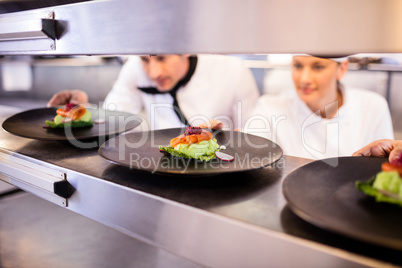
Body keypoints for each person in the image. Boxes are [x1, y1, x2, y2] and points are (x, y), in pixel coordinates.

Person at [47, 54, 260, 131]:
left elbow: (255, 133)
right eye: (144, 59)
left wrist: (235, 139)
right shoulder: (134, 68)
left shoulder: (233, 70)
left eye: (162, 58)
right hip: (161, 165)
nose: (153, 72)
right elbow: (112, 118)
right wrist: (82, 109)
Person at [244, 54, 394, 159]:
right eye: (298, 66)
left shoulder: (373, 107)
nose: (304, 79)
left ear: (342, 69)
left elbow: (382, 169)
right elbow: (247, 155)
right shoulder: (269, 108)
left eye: (318, 67)